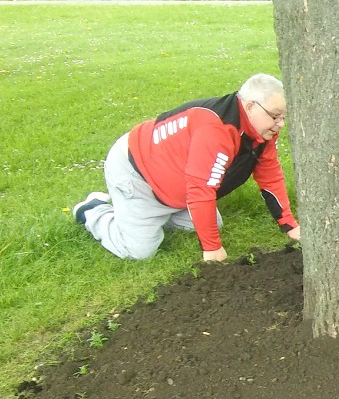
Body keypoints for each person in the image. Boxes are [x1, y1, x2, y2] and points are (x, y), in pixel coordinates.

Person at [72, 73, 300, 262]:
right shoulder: (217, 130)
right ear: (250, 107)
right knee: (140, 251)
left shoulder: (260, 131)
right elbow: (202, 190)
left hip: (176, 184)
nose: (280, 124)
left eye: (283, 117)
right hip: (137, 174)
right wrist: (212, 249)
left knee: (211, 222)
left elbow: (270, 176)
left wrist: (289, 225)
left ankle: (158, 213)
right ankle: (93, 210)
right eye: (275, 116)